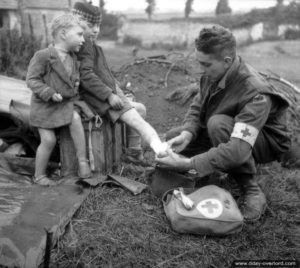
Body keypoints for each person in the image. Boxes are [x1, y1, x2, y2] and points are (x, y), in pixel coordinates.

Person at [156, 25, 291, 222]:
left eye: (206, 65)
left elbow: (238, 149)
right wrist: (188, 133)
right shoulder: (213, 74)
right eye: (199, 63)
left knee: (218, 124)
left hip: (264, 142)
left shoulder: (255, 92)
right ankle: (211, 172)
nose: (201, 70)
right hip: (227, 131)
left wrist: (188, 163)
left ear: (227, 61)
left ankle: (250, 189)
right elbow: (197, 107)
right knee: (173, 137)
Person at [72, 2, 167, 160]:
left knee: (140, 110)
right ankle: (160, 151)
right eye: (90, 25)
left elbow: (100, 74)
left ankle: (134, 152)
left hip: (101, 95)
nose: (95, 30)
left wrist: (118, 88)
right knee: (139, 122)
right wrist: (109, 95)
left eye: (98, 25)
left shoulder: (88, 45)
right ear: (77, 24)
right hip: (98, 99)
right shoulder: (85, 46)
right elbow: (86, 76)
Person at [27, 14, 93, 186]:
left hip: (64, 104)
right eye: (79, 35)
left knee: (76, 119)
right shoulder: (43, 56)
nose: (83, 40)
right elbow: (32, 80)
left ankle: (82, 161)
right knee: (48, 140)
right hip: (45, 107)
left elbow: (73, 81)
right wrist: (48, 91)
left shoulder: (73, 59)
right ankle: (39, 175)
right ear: (63, 34)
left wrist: (76, 86)